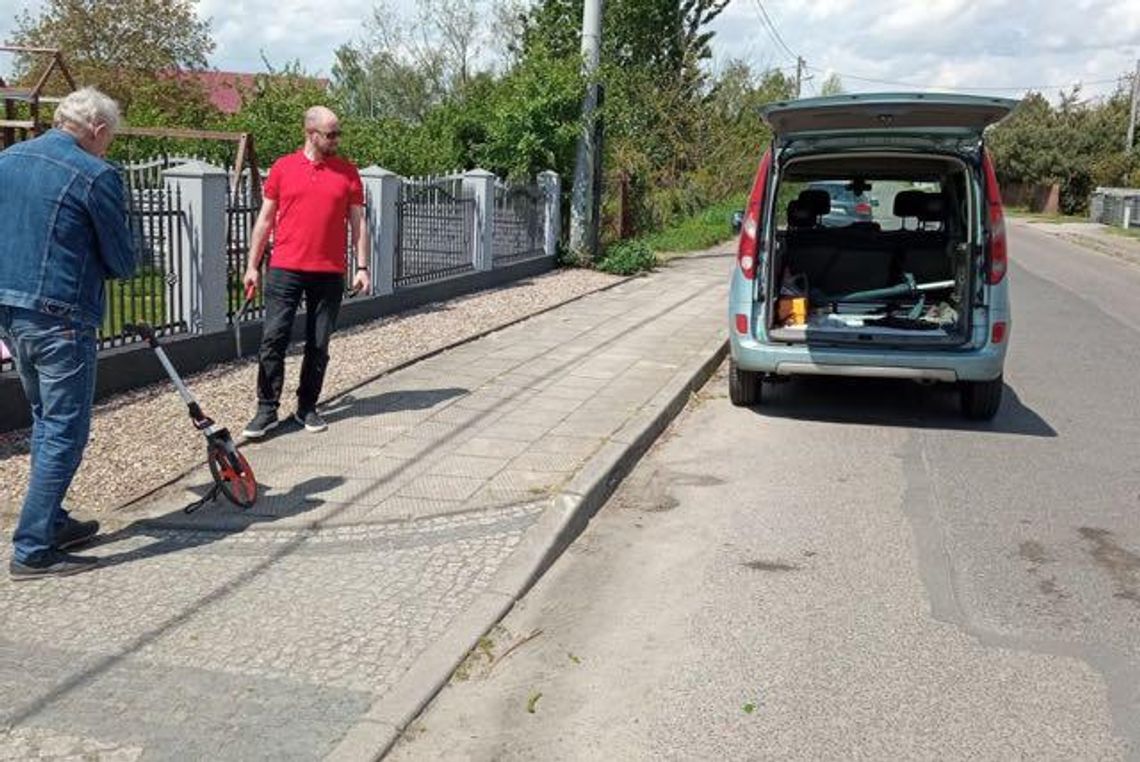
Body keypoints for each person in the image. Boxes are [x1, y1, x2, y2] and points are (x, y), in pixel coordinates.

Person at [0, 87, 136, 580]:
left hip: (11, 310)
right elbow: (122, 261)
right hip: (61, 316)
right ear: (97, 131)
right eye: (110, 138)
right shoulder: (96, 174)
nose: (109, 147)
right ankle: (33, 547)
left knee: (43, 418)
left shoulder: (8, 159)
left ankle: (52, 520)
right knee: (65, 429)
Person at [241, 106, 370, 438]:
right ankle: (267, 409)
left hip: (328, 272)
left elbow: (358, 223)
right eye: (331, 134)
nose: (336, 140)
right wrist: (252, 266)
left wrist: (362, 266)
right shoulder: (284, 168)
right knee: (274, 338)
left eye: (338, 133)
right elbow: (265, 220)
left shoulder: (348, 173)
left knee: (318, 342)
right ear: (311, 133)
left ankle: (306, 406)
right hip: (285, 268)